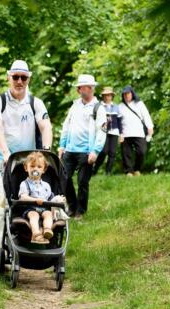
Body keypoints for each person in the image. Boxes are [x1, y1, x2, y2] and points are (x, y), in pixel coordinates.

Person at [0, 60, 53, 249]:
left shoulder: (35, 103)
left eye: (23, 77)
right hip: (2, 162)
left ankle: (30, 239)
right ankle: (1, 249)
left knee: (29, 204)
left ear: (28, 79)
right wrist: (6, 153)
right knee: (2, 208)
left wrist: (46, 150)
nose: (19, 81)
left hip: (28, 164)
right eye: (15, 77)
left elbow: (45, 125)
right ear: (9, 77)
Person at [58, 74, 107, 220]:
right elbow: (66, 125)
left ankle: (81, 211)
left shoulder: (99, 108)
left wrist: (95, 151)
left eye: (89, 86)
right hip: (70, 150)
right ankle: (72, 207)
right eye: (82, 87)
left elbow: (102, 131)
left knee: (82, 182)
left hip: (86, 152)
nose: (80, 89)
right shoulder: (75, 106)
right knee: (64, 178)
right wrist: (62, 145)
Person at [18, 152, 55, 244]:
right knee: (34, 215)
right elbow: (23, 197)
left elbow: (51, 199)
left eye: (39, 167)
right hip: (30, 209)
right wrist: (35, 200)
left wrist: (58, 200)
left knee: (48, 214)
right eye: (32, 166)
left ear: (43, 170)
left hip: (44, 208)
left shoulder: (46, 185)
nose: (35, 169)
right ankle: (36, 234)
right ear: (26, 168)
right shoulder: (24, 184)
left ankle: (47, 230)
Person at [118, 85, 154, 176]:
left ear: (132, 93)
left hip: (138, 132)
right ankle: (129, 171)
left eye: (128, 93)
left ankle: (137, 169)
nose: (126, 95)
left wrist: (150, 127)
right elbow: (117, 121)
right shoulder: (120, 106)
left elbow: (146, 116)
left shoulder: (139, 104)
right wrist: (120, 133)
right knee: (126, 154)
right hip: (125, 134)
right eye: (124, 94)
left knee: (141, 151)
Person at [93, 87, 122, 175]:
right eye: (105, 95)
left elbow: (119, 121)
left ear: (112, 96)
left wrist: (121, 134)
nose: (107, 97)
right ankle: (95, 169)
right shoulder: (99, 106)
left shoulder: (116, 107)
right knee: (103, 151)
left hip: (114, 132)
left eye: (109, 95)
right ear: (103, 96)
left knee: (112, 153)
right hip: (103, 132)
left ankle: (108, 172)